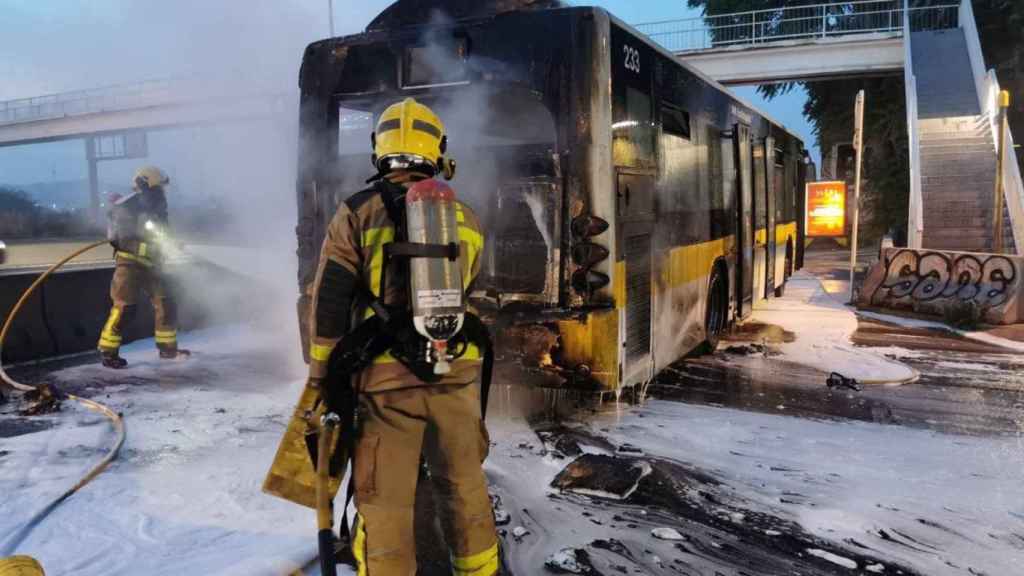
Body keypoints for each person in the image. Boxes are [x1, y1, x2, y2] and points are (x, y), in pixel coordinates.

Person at [307, 98, 497, 575]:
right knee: (464, 487)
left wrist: (321, 373)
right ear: (437, 150)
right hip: (456, 373)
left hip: (386, 383)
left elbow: (329, 298)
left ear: (381, 150)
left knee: (385, 502)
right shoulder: (467, 217)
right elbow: (470, 287)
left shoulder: (356, 211)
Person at [97, 166, 189, 369]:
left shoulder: (157, 205)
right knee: (125, 308)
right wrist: (151, 248)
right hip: (129, 263)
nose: (163, 190)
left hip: (152, 264)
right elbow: (121, 239)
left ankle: (168, 349)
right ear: (147, 184)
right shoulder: (128, 206)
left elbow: (162, 232)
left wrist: (172, 243)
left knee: (166, 302)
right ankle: (108, 352)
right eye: (160, 186)